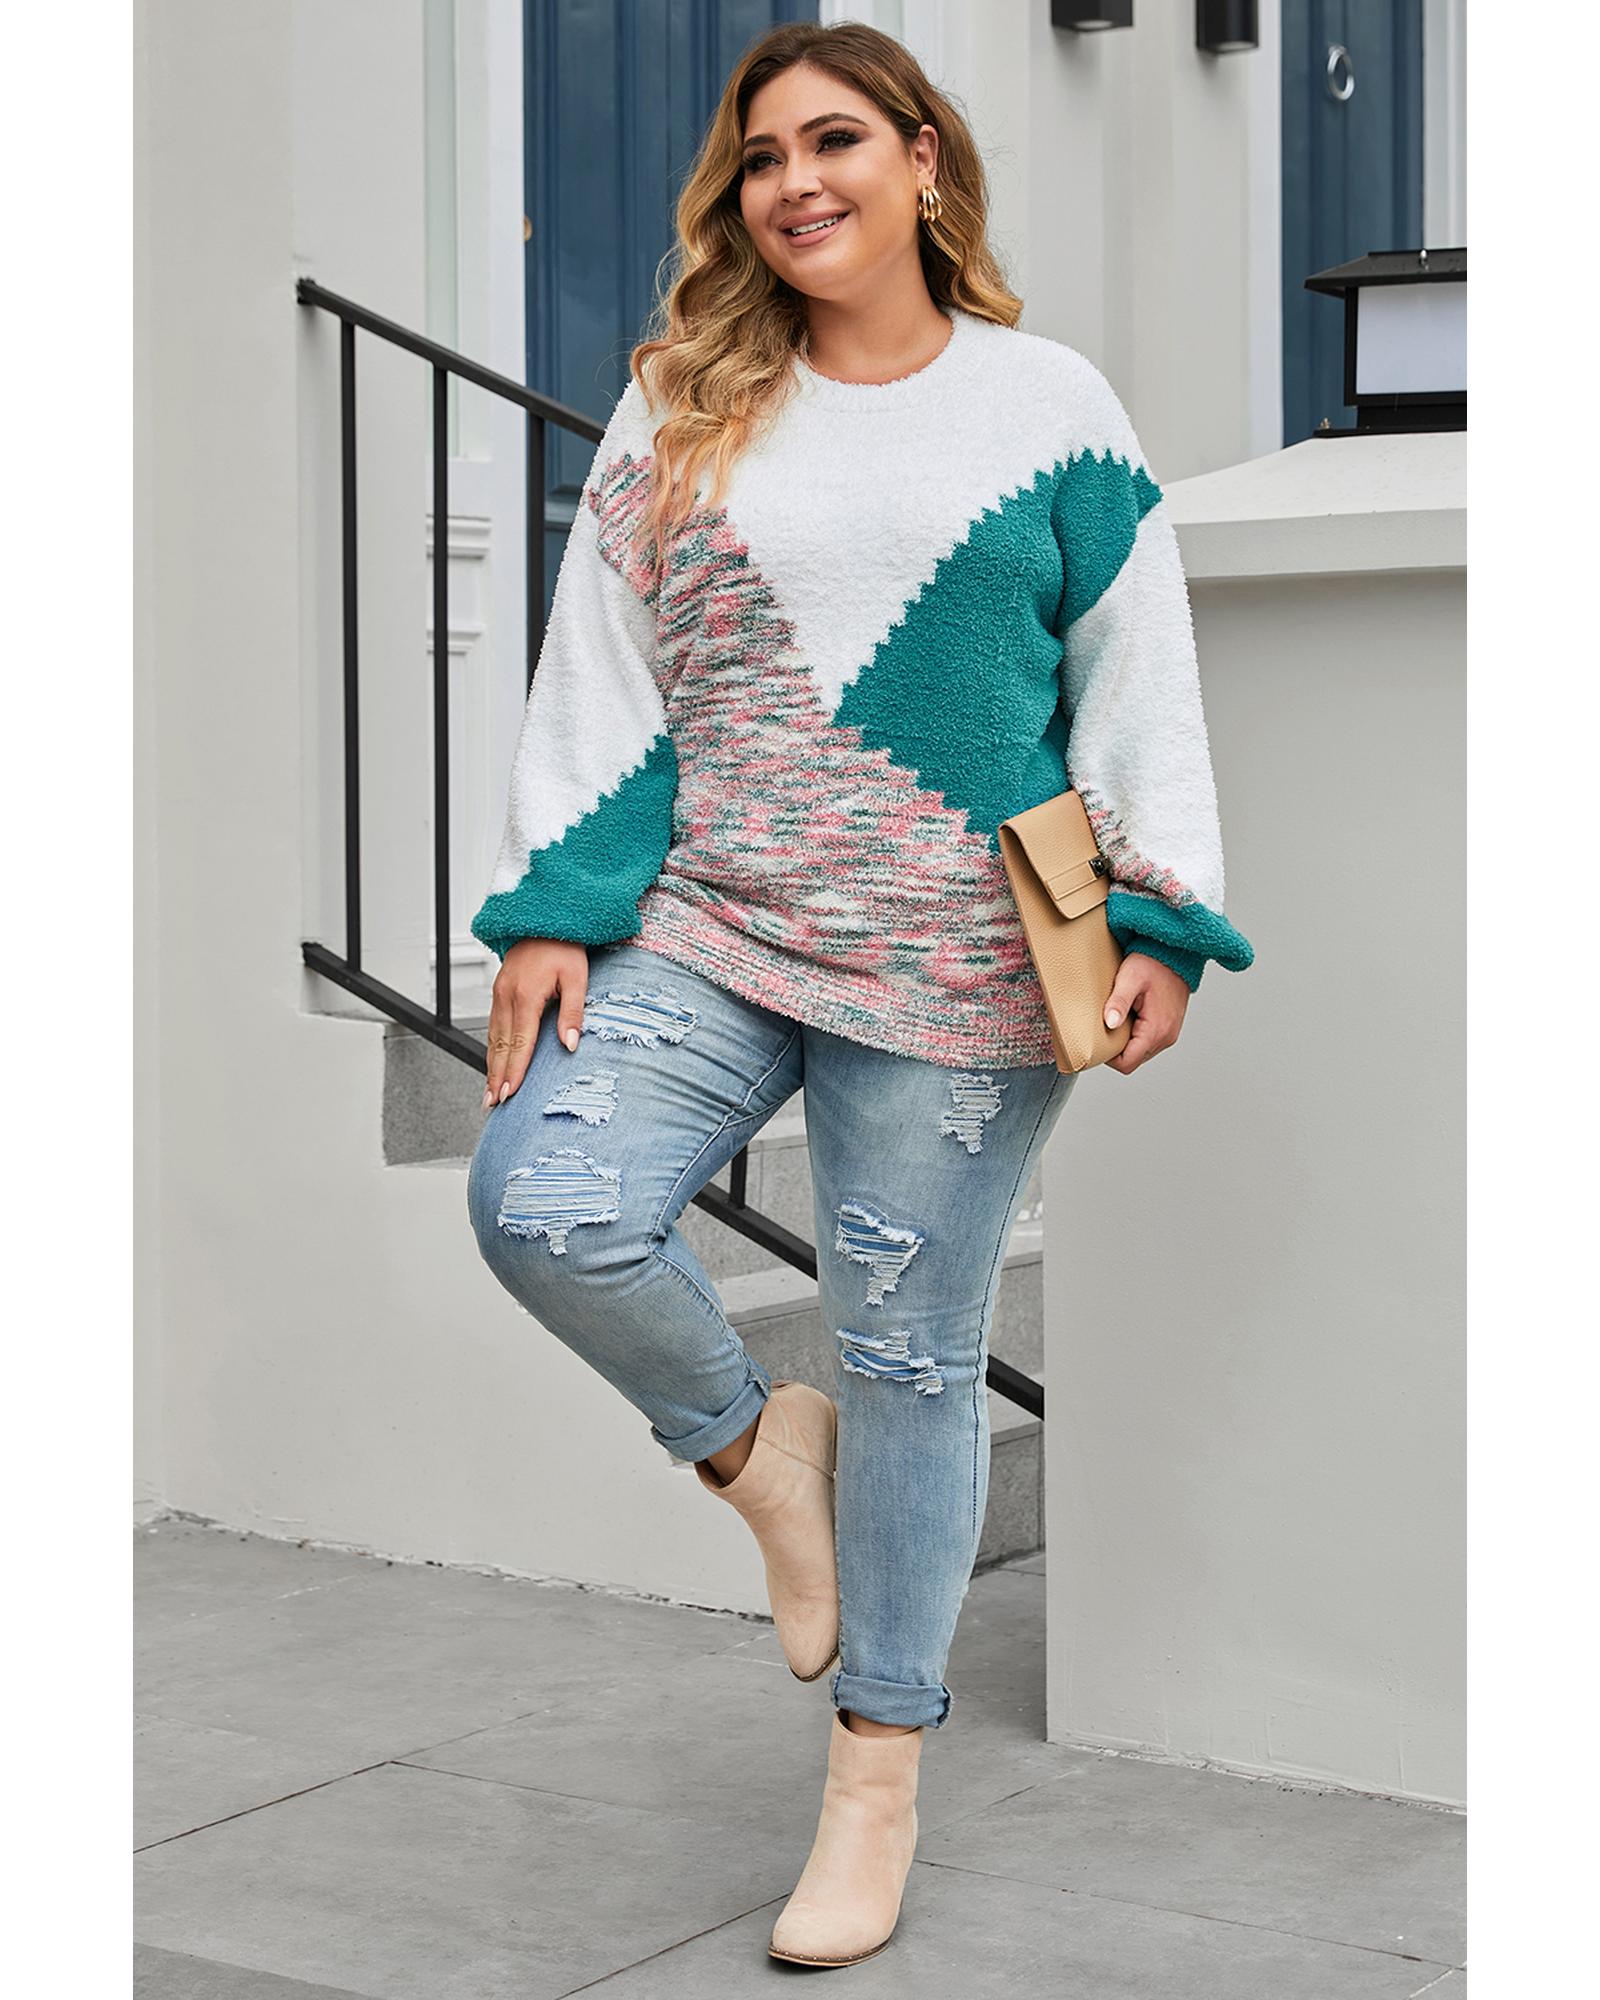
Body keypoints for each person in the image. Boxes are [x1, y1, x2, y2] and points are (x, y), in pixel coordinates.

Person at [465, 18, 1254, 1971]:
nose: (792, 182)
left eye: (831, 141)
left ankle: (876, 1778)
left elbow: (1133, 673)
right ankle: (759, 1451)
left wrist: (1158, 918)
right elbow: (601, 660)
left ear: (922, 159)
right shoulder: (685, 398)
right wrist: (559, 901)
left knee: (909, 1360)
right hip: (711, 923)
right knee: (545, 1200)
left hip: (965, 959)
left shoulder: (1045, 406)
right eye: (759, 158)